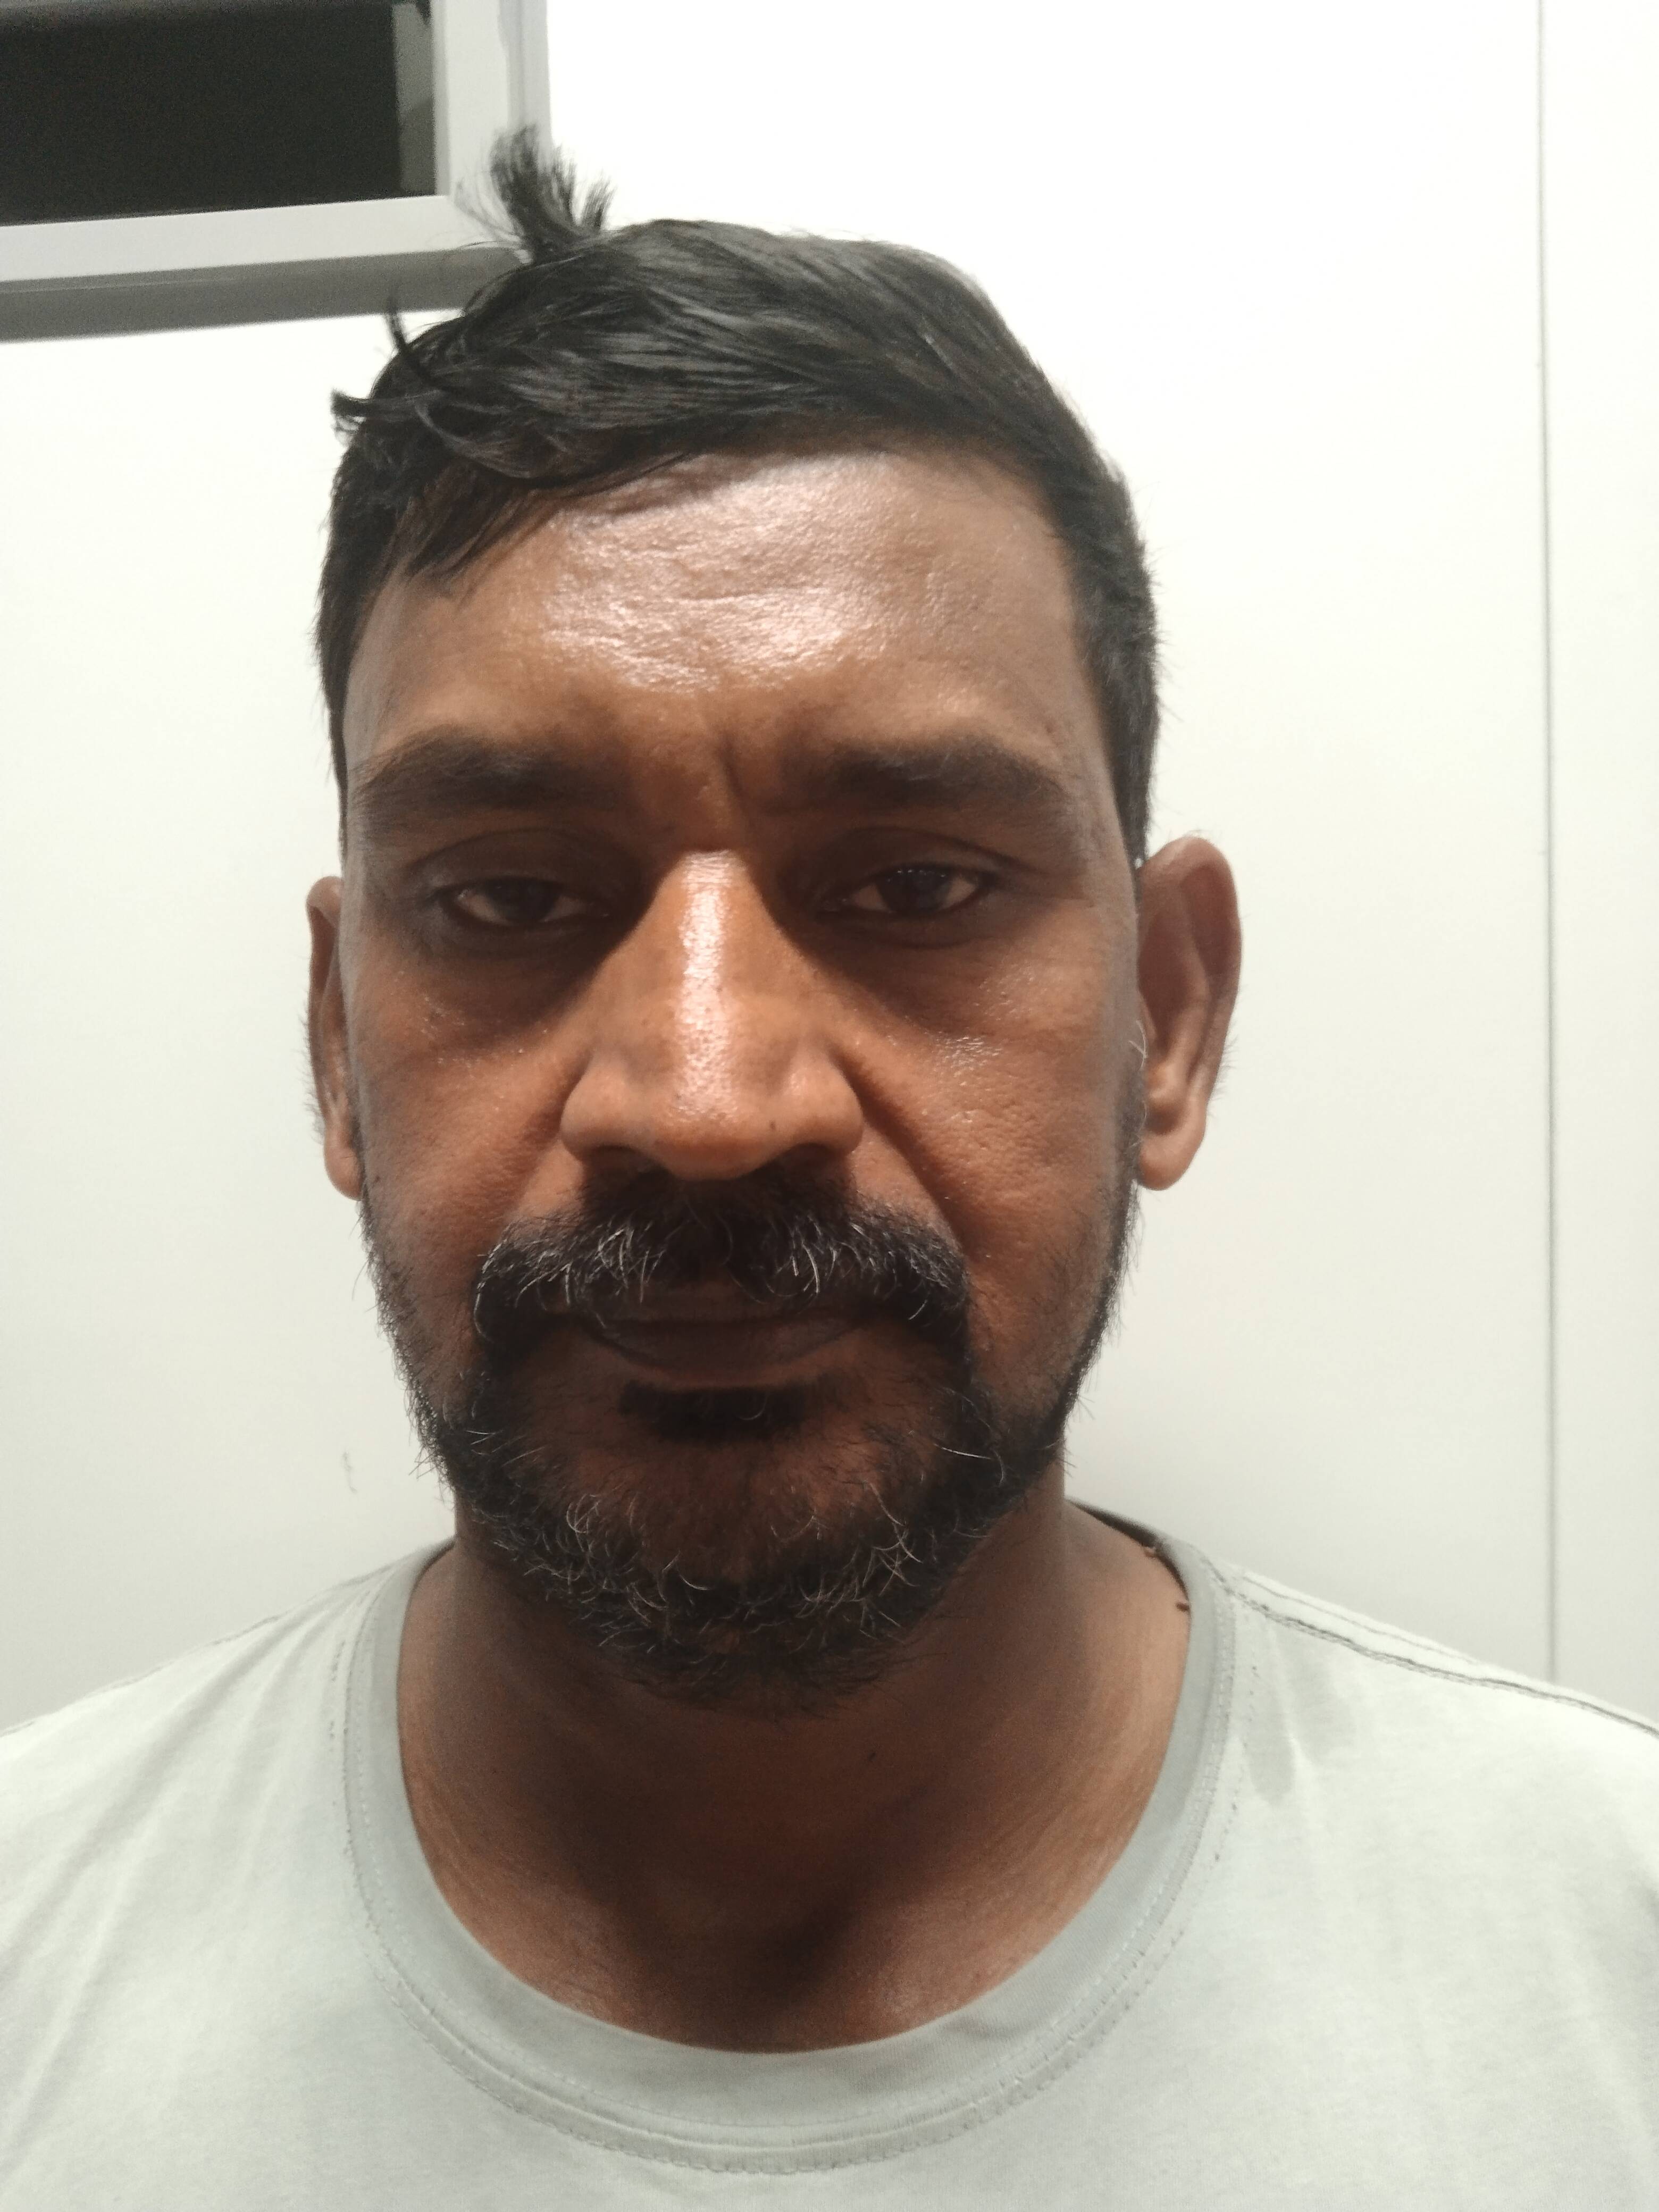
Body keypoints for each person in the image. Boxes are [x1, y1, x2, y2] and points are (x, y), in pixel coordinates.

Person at [2, 135, 1655, 2208]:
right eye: (510, 897)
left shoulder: (1606, 1975)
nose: (707, 1097)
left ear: (1167, 1011)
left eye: (914, 884)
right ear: (342, 1047)